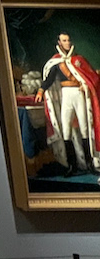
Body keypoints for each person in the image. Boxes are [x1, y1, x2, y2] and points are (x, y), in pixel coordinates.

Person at [35, 32, 100, 175]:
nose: (67, 43)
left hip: (79, 95)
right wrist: (41, 91)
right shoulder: (56, 62)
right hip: (66, 95)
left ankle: (89, 164)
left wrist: (85, 85)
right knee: (66, 130)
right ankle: (72, 166)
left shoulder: (79, 60)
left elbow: (93, 78)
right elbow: (49, 79)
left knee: (84, 128)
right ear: (59, 42)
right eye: (64, 40)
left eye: (68, 40)